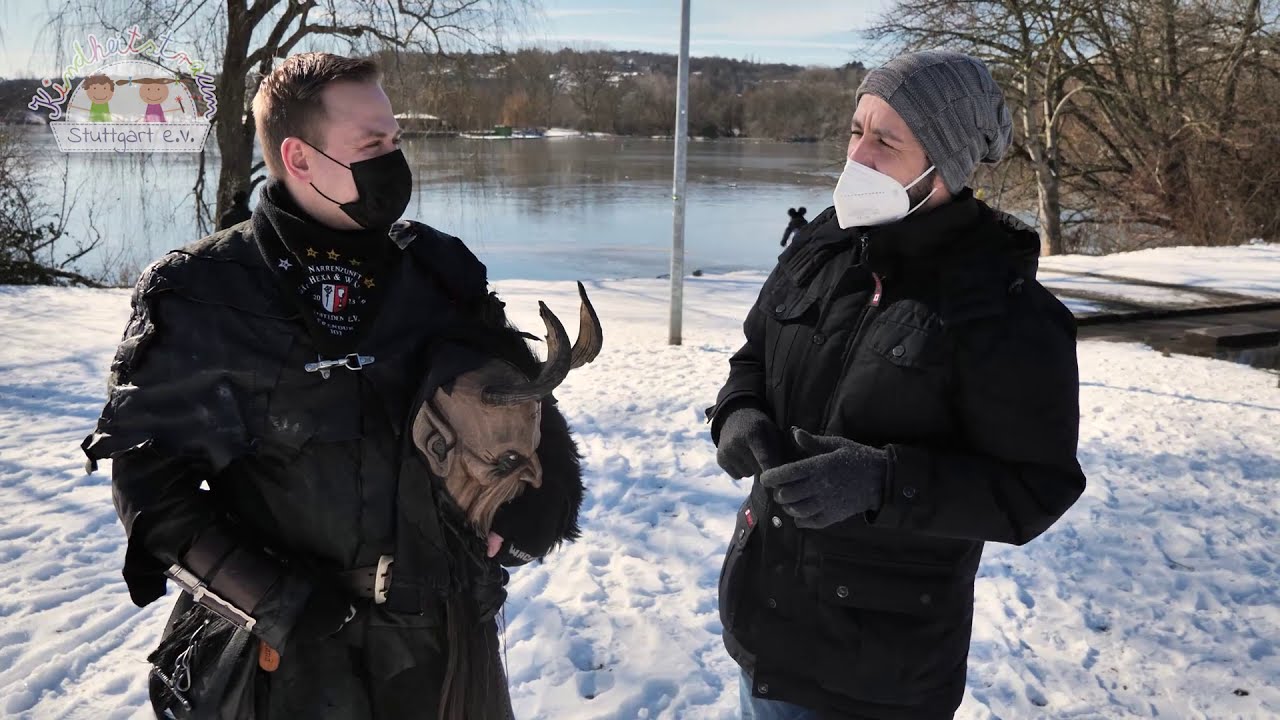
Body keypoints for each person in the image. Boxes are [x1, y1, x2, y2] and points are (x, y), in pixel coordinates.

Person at [82, 51, 597, 719]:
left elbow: (521, 400)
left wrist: (536, 508)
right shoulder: (202, 293)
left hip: (448, 648)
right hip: (286, 668)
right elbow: (150, 492)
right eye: (372, 144)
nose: (394, 159)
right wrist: (277, 605)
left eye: (395, 139)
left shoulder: (439, 270)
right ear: (298, 158)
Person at [706, 50, 1086, 720]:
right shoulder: (824, 245)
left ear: (945, 162)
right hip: (768, 631)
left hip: (880, 674)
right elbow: (755, 354)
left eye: (886, 141)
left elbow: (1035, 489)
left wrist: (882, 482)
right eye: (857, 131)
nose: (858, 157)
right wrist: (737, 413)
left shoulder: (1004, 309)